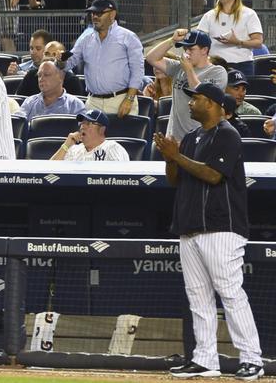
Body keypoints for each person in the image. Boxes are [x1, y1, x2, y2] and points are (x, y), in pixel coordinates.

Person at [153, 83, 263, 381]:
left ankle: (252, 358)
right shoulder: (190, 138)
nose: (191, 104)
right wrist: (169, 157)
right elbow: (175, 181)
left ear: (213, 104)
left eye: (197, 99)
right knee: (198, 297)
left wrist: (177, 157)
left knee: (230, 293)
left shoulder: (228, 134)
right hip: (189, 226)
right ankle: (205, 359)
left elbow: (214, 175)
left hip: (221, 226)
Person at [63, 0, 144, 116]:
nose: (95, 16)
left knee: (119, 135)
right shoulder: (86, 39)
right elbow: (69, 63)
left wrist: (129, 99)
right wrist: (60, 61)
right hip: (93, 102)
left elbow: (137, 71)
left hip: (120, 99)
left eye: (99, 13)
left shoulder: (128, 37)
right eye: (93, 13)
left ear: (112, 14)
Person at [146, 29, 228, 139]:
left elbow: (203, 95)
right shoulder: (178, 67)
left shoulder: (217, 71)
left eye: (191, 49)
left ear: (204, 50)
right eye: (185, 49)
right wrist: (172, 40)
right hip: (173, 137)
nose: (187, 53)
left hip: (200, 137)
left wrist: (189, 70)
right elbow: (151, 58)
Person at [195, 0, 264, 76]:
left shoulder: (249, 14)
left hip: (242, 64)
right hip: (215, 64)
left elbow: (258, 42)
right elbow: (199, 39)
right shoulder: (209, 16)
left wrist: (237, 42)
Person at [16, 61, 86, 123]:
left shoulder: (75, 104)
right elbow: (18, 125)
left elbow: (81, 132)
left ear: (61, 77)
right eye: (39, 75)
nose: (41, 79)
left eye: (46, 75)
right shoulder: (29, 102)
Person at [50, 108, 130, 161]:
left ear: (102, 129)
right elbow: (48, 172)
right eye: (82, 123)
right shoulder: (74, 150)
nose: (82, 127)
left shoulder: (112, 148)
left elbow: (119, 179)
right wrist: (66, 145)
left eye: (88, 123)